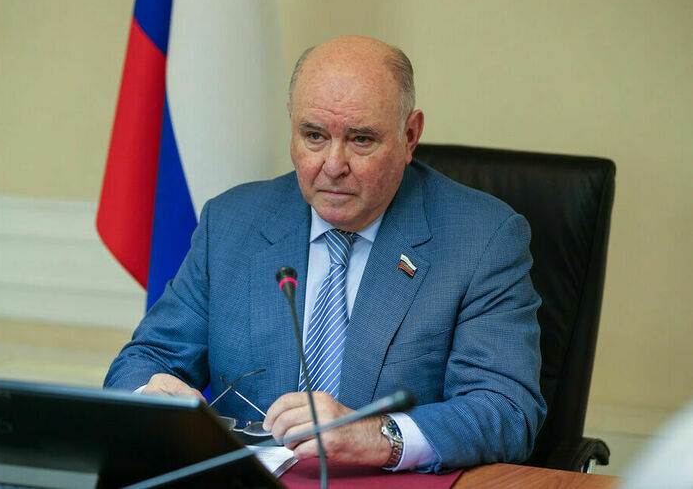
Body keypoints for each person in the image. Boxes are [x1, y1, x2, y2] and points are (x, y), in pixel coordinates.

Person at [104, 35, 546, 473]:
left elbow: (506, 409)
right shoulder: (232, 223)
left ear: (410, 136)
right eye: (314, 136)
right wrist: (150, 396)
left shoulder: (482, 239)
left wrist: (376, 435)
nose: (333, 166)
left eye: (361, 140)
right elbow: (144, 359)